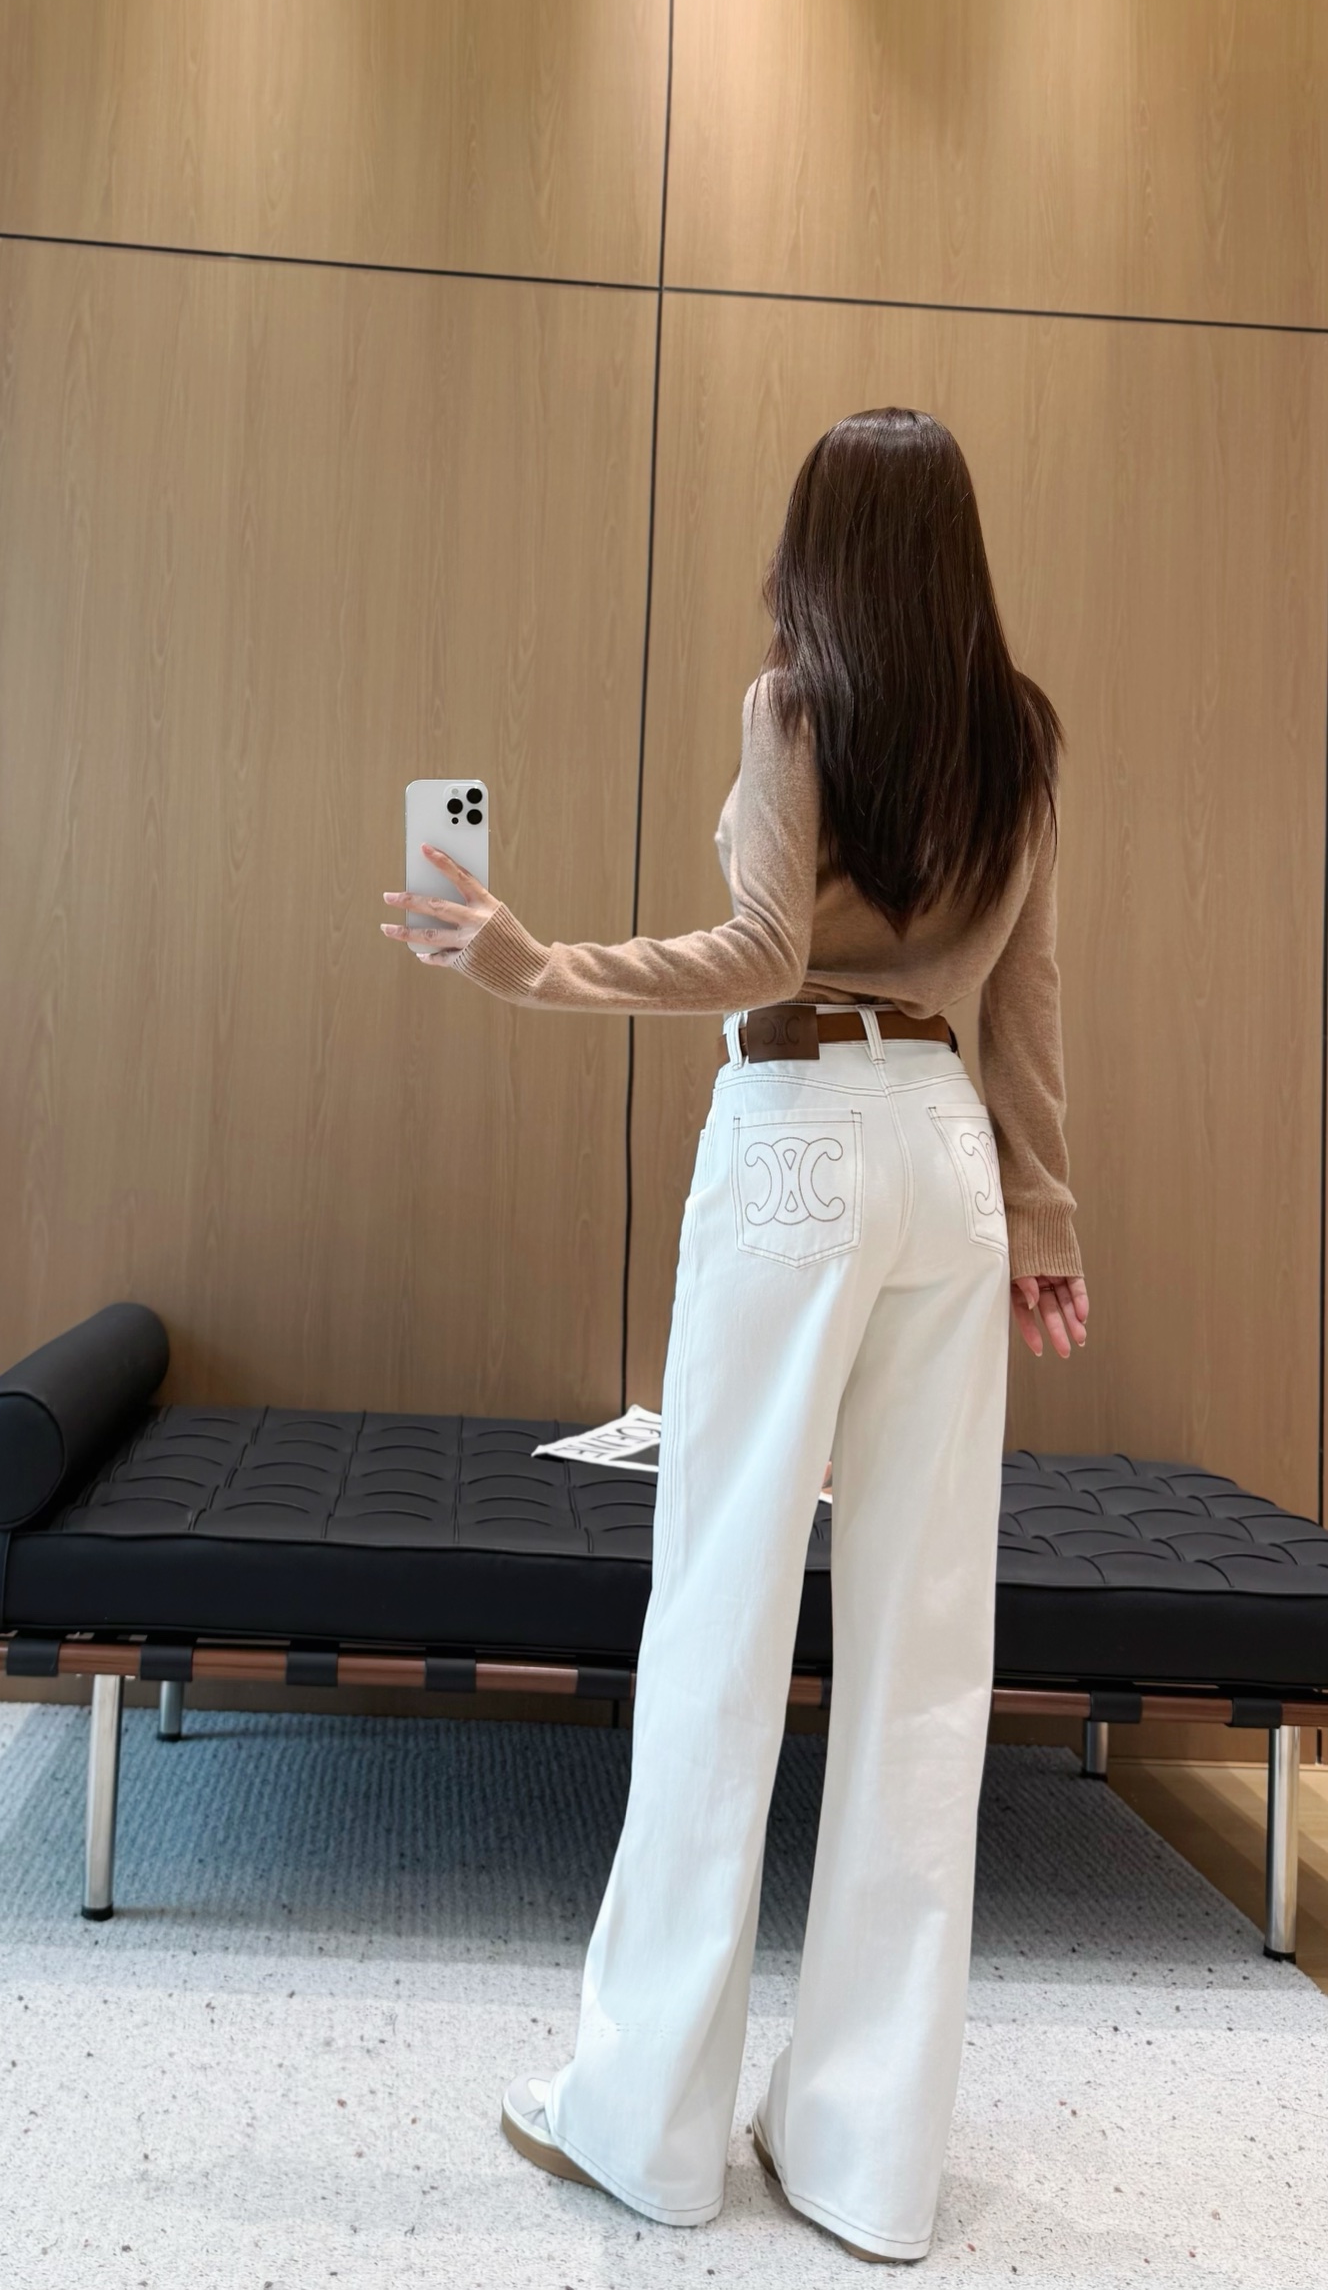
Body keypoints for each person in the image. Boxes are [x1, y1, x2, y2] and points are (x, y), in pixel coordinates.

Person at [381, 407, 1088, 2262]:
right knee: (925, 1651)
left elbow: (769, 953)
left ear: (820, 543)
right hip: (947, 1158)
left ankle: (649, 2121)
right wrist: (1045, 1223)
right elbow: (1023, 996)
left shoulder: (794, 706)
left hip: (799, 1139)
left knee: (721, 1610)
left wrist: (541, 964)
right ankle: (866, 2157)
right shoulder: (1017, 735)